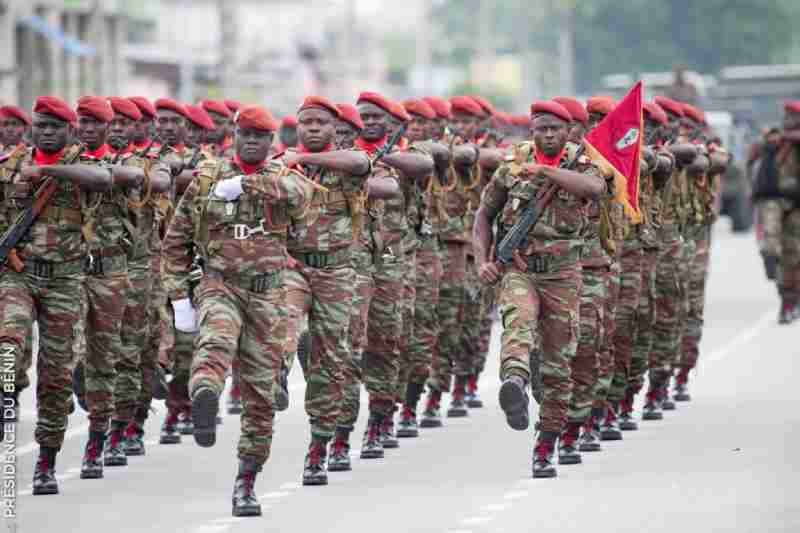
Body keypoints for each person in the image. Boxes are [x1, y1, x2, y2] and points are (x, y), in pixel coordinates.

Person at [162, 104, 314, 516]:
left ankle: (246, 480)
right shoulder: (207, 179)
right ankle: (205, 398)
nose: (251, 140)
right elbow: (175, 242)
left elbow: (305, 198)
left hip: (268, 297)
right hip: (220, 286)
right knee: (215, 343)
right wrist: (179, 298)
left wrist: (247, 188)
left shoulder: (284, 179)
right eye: (244, 133)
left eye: (259, 136)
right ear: (234, 135)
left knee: (262, 396)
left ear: (270, 142)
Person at [474, 100, 606, 479]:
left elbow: (593, 188)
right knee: (517, 323)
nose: (547, 135)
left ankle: (548, 440)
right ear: (532, 131)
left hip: (564, 276)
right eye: (540, 129)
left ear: (567, 132)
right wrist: (483, 258)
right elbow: (485, 215)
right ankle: (513, 381)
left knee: (557, 364)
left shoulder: (582, 164)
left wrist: (546, 171)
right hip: (521, 271)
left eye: (554, 129)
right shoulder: (511, 166)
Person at [278, 96, 392, 486]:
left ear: (333, 129)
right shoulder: (281, 165)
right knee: (284, 323)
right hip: (294, 268)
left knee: (335, 363)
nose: (311, 128)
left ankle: (322, 444)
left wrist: (304, 161)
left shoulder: (350, 162)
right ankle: (278, 371)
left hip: (339, 273)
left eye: (319, 123)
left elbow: (361, 164)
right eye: (304, 122)